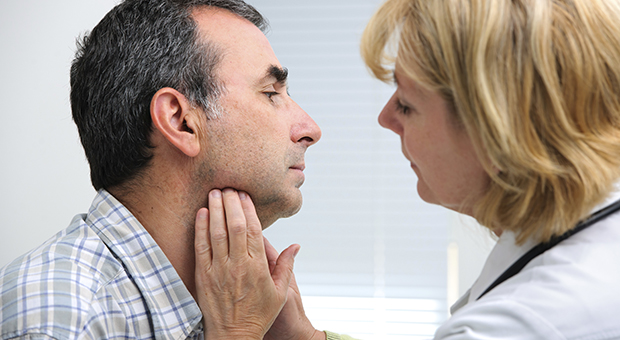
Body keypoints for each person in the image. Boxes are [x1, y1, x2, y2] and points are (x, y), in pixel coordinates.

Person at [194, 0, 620, 338]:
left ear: (499, 130)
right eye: (271, 92)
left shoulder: (517, 326)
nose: (386, 118)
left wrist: (237, 333)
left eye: (407, 104)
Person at [0, 0, 321, 339]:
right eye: (271, 93)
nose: (311, 129)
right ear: (180, 122)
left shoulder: (231, 303)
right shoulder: (64, 320)